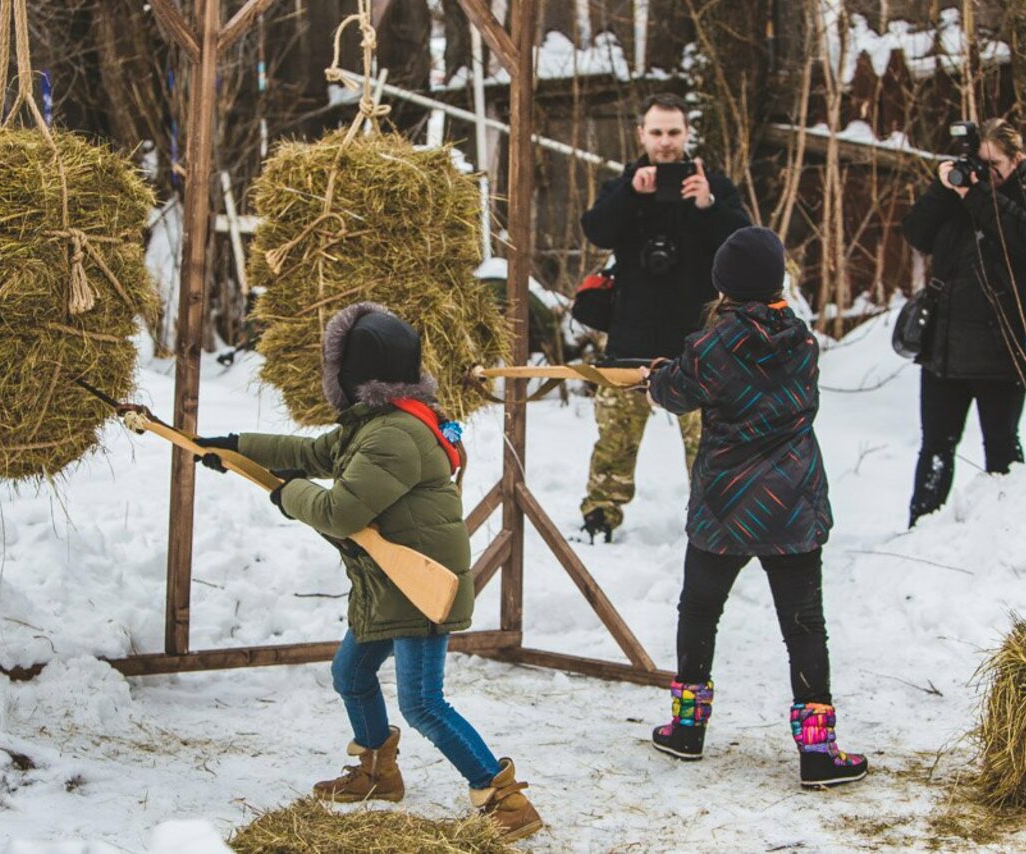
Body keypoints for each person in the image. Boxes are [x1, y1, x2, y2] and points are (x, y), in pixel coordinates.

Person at [195, 302, 542, 841]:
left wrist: (288, 494)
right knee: (351, 675)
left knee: (424, 703)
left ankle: (504, 798)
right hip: (387, 582)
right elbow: (312, 453)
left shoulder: (392, 436)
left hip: (420, 584)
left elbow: (341, 512)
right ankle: (378, 773)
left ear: (351, 375)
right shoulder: (378, 423)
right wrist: (235, 448)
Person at [643, 227, 868, 789]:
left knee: (699, 610)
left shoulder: (713, 345)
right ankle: (818, 753)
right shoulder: (804, 341)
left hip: (724, 504)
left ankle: (687, 729)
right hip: (791, 502)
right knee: (803, 625)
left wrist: (656, 376)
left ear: (722, 283)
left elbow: (675, 392)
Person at [578, 92, 752, 542]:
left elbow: (745, 245)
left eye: (673, 132)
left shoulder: (712, 186)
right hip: (630, 336)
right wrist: (632, 197)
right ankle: (600, 516)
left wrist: (708, 206)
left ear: (687, 133)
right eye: (656, 132)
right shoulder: (625, 185)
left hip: (697, 339)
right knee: (615, 437)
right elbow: (597, 229)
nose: (665, 142)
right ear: (642, 134)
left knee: (710, 441)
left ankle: (717, 518)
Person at [902, 118, 1026, 526]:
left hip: (1000, 350)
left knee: (1002, 450)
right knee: (935, 448)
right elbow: (916, 232)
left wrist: (976, 193)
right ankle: (919, 531)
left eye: (995, 164)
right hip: (945, 349)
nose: (985, 172)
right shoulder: (960, 191)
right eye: (979, 163)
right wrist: (943, 188)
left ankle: (1006, 533)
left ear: (1017, 159)